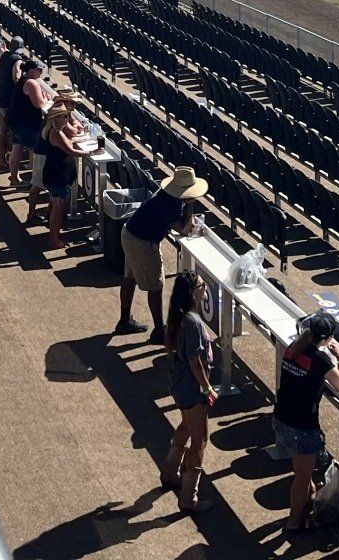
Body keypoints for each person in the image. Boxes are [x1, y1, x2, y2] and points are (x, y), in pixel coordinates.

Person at [273, 313, 339, 535]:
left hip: (281, 419)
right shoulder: (321, 360)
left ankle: (307, 510)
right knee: (302, 478)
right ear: (327, 340)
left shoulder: (293, 348)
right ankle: (294, 523)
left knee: (303, 475)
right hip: (302, 428)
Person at [117, 166, 208, 342]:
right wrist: (190, 206)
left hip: (130, 233)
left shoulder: (167, 195)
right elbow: (183, 229)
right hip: (143, 243)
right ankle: (159, 330)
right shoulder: (169, 205)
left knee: (130, 278)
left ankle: (124, 320)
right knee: (156, 286)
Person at [159, 271, 217, 516]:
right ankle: (188, 496)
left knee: (186, 425)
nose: (205, 289)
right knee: (200, 440)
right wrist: (207, 388)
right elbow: (196, 362)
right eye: (202, 286)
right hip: (192, 388)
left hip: (180, 385)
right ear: (194, 292)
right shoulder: (192, 322)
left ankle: (170, 472)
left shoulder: (180, 317)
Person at [36, 100, 83, 249]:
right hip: (58, 175)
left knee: (55, 204)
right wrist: (92, 152)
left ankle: (53, 235)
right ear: (57, 119)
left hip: (56, 173)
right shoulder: (57, 133)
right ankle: (54, 238)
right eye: (64, 117)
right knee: (58, 208)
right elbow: (72, 152)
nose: (67, 119)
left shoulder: (55, 132)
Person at [5, 57, 55, 190]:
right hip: (25, 123)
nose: (41, 72)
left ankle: (15, 178)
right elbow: (39, 104)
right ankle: (36, 182)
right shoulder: (31, 83)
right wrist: (46, 98)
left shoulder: (23, 80)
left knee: (17, 148)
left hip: (15, 121)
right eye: (39, 70)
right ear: (32, 71)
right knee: (36, 149)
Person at [0, 36, 27, 173]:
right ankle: (12, 162)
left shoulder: (5, 55)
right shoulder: (17, 59)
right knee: (13, 133)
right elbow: (16, 77)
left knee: (1, 133)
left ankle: (1, 160)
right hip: (8, 102)